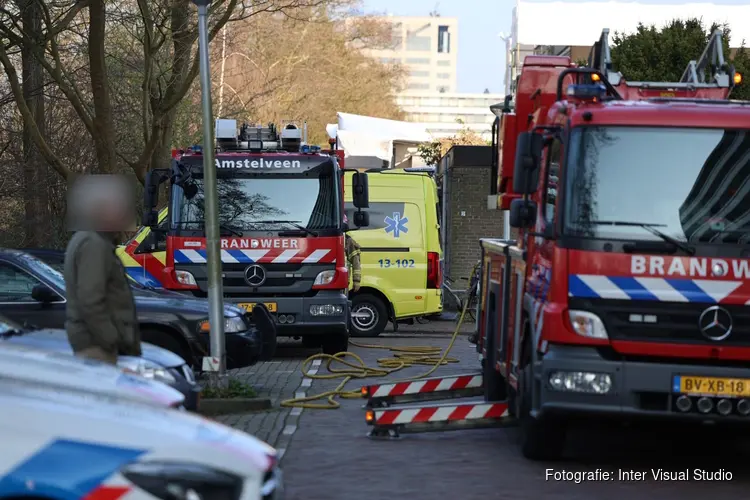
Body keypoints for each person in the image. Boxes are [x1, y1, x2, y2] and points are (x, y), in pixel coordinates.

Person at [64, 175, 141, 364]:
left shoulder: (87, 239)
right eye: (116, 208)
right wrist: (112, 339)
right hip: (97, 346)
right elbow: (91, 300)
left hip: (95, 343)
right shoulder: (93, 244)